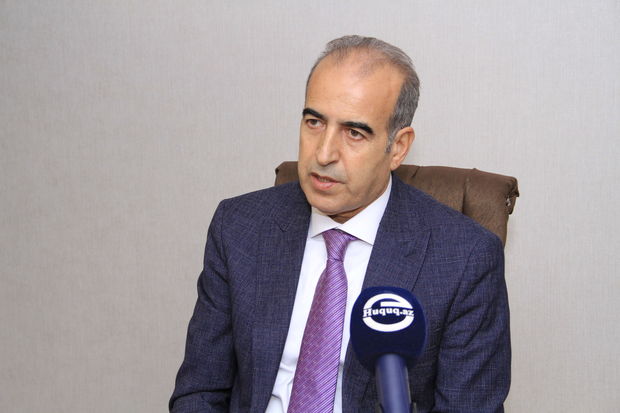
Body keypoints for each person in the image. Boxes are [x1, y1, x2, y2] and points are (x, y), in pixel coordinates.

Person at [170, 35, 510, 413]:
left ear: (398, 147)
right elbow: (199, 392)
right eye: (314, 122)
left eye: (354, 132)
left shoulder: (464, 259)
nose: (323, 153)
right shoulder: (239, 228)